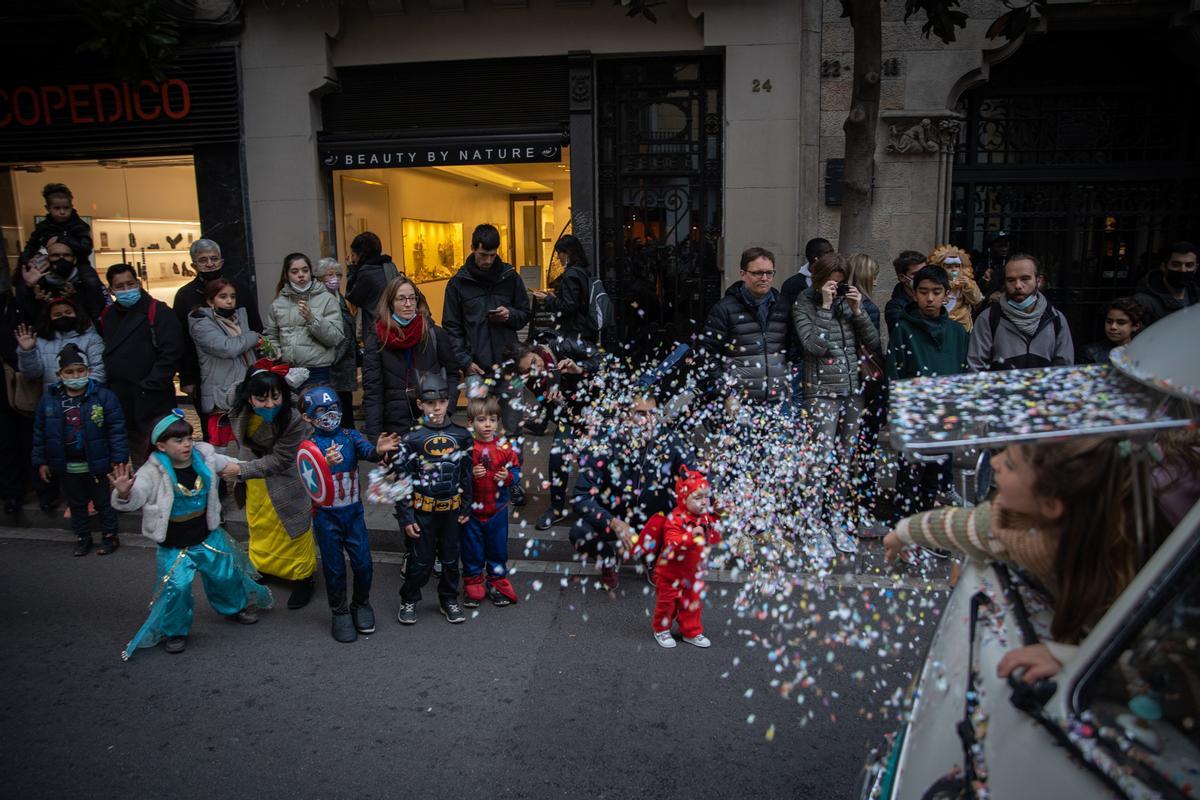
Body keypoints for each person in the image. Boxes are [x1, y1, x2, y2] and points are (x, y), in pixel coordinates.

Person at [884, 437, 1164, 681]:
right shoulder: (1012, 522)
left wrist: (1072, 658)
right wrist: (903, 532)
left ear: (1050, 505)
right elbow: (965, 526)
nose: (996, 462)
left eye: (1012, 465)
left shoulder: (1129, 567)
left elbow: (1157, 664)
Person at [109, 410, 271, 658]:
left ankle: (234, 608)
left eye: (188, 438)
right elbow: (134, 496)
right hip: (174, 544)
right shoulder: (151, 471)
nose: (186, 444)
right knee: (177, 588)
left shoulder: (204, 457)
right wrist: (123, 493)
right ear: (161, 445)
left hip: (207, 535)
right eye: (178, 440)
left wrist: (263, 466)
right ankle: (175, 631)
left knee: (225, 575)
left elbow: (232, 465)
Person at [792, 252, 881, 554]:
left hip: (852, 390)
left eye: (841, 284)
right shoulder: (804, 303)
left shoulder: (849, 303)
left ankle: (835, 521)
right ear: (818, 280)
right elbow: (814, 345)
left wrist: (858, 310)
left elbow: (873, 342)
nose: (836, 288)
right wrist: (826, 308)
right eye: (832, 283)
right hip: (820, 391)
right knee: (819, 462)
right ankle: (812, 525)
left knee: (843, 463)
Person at [299, 385, 400, 643]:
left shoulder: (350, 435)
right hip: (325, 516)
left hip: (353, 513)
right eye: (320, 411)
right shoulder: (309, 446)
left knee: (364, 564)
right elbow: (306, 476)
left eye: (333, 408)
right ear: (307, 417)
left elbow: (368, 452)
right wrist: (324, 462)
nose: (329, 415)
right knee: (334, 568)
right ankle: (340, 611)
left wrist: (379, 450)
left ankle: (361, 604)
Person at [570, 391, 696, 591]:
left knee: (689, 524)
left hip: (654, 516)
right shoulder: (602, 445)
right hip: (615, 515)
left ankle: (654, 557)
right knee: (579, 531)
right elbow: (580, 497)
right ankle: (608, 559)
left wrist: (711, 494)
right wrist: (613, 522)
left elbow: (694, 477)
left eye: (652, 413)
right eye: (640, 413)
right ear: (624, 415)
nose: (647, 420)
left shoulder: (671, 442)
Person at [221, 362, 319, 609]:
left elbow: (280, 459)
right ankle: (263, 566)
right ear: (248, 396)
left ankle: (303, 577)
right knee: (260, 524)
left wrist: (240, 470)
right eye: (261, 399)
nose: (270, 404)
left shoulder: (295, 419)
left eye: (276, 397)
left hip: (286, 477)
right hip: (255, 479)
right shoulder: (235, 399)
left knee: (293, 527)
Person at [885, 266, 969, 521]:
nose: (929, 299)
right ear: (914, 294)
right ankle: (904, 527)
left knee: (938, 473)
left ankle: (927, 526)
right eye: (923, 292)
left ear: (946, 295)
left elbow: (962, 371)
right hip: (913, 415)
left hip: (944, 413)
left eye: (936, 292)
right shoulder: (903, 329)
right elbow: (894, 372)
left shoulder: (957, 332)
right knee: (910, 474)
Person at [392, 373, 473, 626]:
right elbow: (401, 481)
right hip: (422, 512)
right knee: (420, 561)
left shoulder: (462, 436)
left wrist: (466, 506)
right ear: (420, 405)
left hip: (451, 510)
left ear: (449, 402)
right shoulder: (411, 439)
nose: (436, 407)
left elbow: (466, 475)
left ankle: (448, 599)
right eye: (429, 403)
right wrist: (406, 517)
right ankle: (409, 599)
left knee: (450, 559)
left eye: (441, 401)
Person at [32, 344, 127, 557]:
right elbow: (40, 433)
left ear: (89, 371)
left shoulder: (103, 397)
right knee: (76, 503)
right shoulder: (49, 400)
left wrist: (118, 458)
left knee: (104, 502)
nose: (76, 376)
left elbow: (117, 429)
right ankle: (83, 537)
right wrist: (41, 461)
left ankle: (110, 536)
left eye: (80, 371)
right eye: (69, 372)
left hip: (98, 462)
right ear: (59, 375)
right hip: (67, 465)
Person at [500, 337, 600, 531]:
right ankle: (556, 508)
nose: (535, 371)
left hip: (599, 409)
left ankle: (599, 507)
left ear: (534, 350)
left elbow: (602, 360)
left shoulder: (563, 344)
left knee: (595, 459)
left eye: (533, 363)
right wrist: (558, 404)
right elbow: (553, 414)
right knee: (557, 455)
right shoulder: (532, 380)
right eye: (527, 371)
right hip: (571, 418)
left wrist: (579, 368)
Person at [172, 239, 263, 435]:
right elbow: (181, 342)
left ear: (221, 261)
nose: (209, 264)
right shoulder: (185, 296)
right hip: (206, 374)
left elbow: (257, 327)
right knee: (215, 433)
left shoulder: (240, 288)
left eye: (214, 258)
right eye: (203, 260)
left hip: (244, 371)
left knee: (251, 430)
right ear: (193, 265)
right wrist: (186, 378)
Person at [98, 263, 184, 464]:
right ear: (111, 290)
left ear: (138, 283)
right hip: (123, 399)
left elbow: (171, 353)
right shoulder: (108, 316)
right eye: (120, 286)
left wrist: (150, 385)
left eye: (130, 283)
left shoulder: (158, 311)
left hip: (153, 397)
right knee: (138, 453)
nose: (126, 289)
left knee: (164, 451)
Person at [361, 275, 461, 441]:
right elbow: (373, 392)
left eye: (412, 298)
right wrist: (375, 438)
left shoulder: (435, 333)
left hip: (433, 421)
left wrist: (447, 409)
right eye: (401, 299)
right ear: (390, 303)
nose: (408, 304)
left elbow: (452, 374)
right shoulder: (378, 338)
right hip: (394, 425)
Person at [699, 246, 792, 405]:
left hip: (778, 399)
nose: (764, 278)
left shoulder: (782, 306)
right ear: (743, 274)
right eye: (757, 273)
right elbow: (707, 354)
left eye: (769, 273)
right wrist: (725, 393)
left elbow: (792, 351)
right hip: (740, 401)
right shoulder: (724, 309)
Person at [642, 468, 720, 649]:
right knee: (667, 604)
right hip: (670, 573)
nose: (703, 502)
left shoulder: (705, 517)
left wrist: (719, 514)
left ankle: (691, 631)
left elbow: (715, 533)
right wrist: (691, 536)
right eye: (697, 497)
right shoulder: (675, 519)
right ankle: (661, 629)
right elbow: (671, 542)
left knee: (693, 603)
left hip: (692, 573)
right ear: (684, 498)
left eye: (706, 497)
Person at [442, 223, 531, 376]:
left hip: (509, 365)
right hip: (475, 367)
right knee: (479, 401)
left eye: (492, 255)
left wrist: (509, 315)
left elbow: (524, 314)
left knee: (514, 400)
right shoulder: (457, 284)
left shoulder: (510, 277)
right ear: (473, 248)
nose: (488, 260)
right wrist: (465, 362)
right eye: (483, 255)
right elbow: (452, 327)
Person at [461, 395, 520, 608]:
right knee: (472, 549)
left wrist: (509, 477)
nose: (488, 425)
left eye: (493, 420)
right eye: (482, 420)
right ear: (471, 423)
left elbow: (516, 472)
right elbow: (457, 476)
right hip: (472, 512)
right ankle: (473, 581)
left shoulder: (505, 447)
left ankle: (496, 582)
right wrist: (469, 472)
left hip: (498, 509)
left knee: (497, 549)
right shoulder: (467, 449)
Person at [967, 254, 1073, 372]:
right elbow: (976, 368)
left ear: (1038, 280)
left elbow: (1063, 369)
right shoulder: (988, 318)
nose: (1018, 286)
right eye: (1011, 280)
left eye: (1025, 279)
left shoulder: (1055, 318)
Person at [188, 279, 263, 446]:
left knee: (250, 445)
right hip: (222, 394)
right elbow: (228, 348)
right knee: (222, 451)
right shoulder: (200, 323)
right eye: (223, 296)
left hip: (245, 388)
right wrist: (253, 336)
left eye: (232, 296)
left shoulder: (238, 317)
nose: (229, 301)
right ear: (210, 301)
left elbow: (245, 350)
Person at [264, 253, 344, 386]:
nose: (301, 275)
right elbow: (271, 335)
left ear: (310, 272)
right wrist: (275, 350)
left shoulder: (327, 299)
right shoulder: (278, 303)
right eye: (294, 271)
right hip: (287, 370)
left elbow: (335, 338)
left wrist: (312, 319)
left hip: (317, 370)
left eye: (305, 270)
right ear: (286, 274)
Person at [781, 239, 835, 409]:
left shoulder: (835, 281)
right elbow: (788, 321)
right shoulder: (793, 285)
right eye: (828, 254)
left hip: (827, 354)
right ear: (816, 259)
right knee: (797, 401)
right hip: (800, 353)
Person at [14, 295, 106, 389]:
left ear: (77, 314)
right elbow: (31, 375)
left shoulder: (92, 338)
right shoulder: (39, 341)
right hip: (52, 399)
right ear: (49, 318)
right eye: (57, 314)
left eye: (68, 312)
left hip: (87, 398)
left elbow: (99, 371)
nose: (64, 316)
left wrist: (81, 393)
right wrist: (28, 351)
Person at [17, 237, 106, 322]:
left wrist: (76, 298)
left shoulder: (87, 280)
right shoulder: (38, 281)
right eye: (55, 255)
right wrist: (29, 288)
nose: (61, 259)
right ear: (48, 259)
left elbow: (97, 311)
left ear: (74, 260)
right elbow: (28, 315)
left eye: (67, 255)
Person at [313, 257, 358, 419]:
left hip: (343, 366)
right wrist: (332, 359)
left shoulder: (338, 297)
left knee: (345, 408)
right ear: (319, 278)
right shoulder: (319, 301)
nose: (335, 279)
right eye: (330, 275)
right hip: (333, 366)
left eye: (338, 275)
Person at [532, 235, 592, 342]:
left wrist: (547, 299)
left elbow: (568, 307)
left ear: (568, 253)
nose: (558, 257)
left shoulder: (571, 274)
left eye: (559, 252)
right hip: (584, 329)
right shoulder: (582, 271)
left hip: (574, 331)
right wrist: (555, 297)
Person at [19, 183, 93, 267]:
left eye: (66, 208)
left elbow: (86, 249)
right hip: (50, 265)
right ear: (48, 208)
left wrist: (61, 239)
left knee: (90, 278)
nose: (62, 212)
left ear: (71, 207)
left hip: (78, 265)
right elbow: (31, 246)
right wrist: (27, 261)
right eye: (57, 208)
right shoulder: (42, 227)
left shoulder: (80, 226)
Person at [344, 232, 399, 337]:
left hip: (376, 329)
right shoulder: (390, 266)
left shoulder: (366, 273)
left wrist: (352, 270)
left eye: (353, 255)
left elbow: (352, 296)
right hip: (394, 324)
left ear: (361, 255)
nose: (353, 259)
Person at [1132, 241, 1197, 327]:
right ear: (1163, 267)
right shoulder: (1143, 302)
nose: (1183, 270)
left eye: (1189, 265)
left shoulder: (1196, 295)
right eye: (1176, 264)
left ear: (1196, 268)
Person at [926, 244, 983, 333]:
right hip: (939, 322)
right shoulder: (935, 283)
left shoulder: (966, 282)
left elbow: (976, 300)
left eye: (956, 266)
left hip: (961, 324)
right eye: (949, 267)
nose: (954, 270)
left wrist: (968, 286)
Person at [1078, 297, 1144, 365]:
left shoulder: (1144, 352)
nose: (1113, 327)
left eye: (1121, 322)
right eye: (1109, 322)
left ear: (1136, 326)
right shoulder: (1091, 353)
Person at [884, 250, 927, 337]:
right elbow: (904, 334)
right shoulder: (895, 307)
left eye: (925, 271)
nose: (923, 277)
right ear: (902, 278)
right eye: (916, 274)